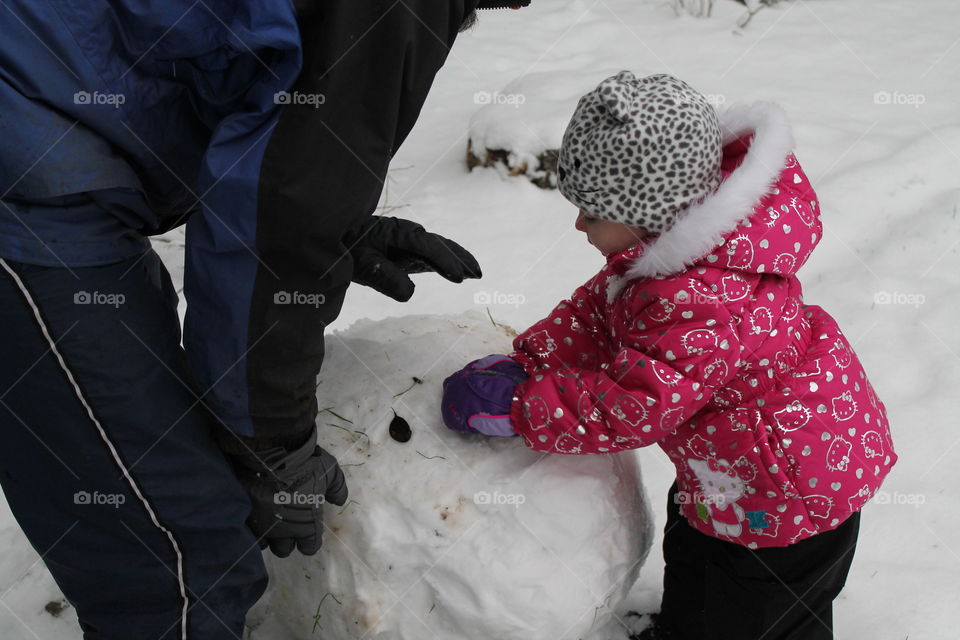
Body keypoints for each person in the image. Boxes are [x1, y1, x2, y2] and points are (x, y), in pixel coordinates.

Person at [0, 1, 529, 638]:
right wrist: (271, 446)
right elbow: (285, 212)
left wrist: (336, 233)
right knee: (185, 556)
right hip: (28, 180)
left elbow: (262, 136)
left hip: (45, 143)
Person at [441, 71, 897, 639]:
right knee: (693, 558)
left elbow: (634, 405)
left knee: (756, 618)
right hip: (732, 472)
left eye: (592, 212)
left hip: (790, 496)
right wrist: (536, 358)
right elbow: (598, 311)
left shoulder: (700, 301)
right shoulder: (667, 264)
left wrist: (522, 408)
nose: (577, 223)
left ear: (648, 216)